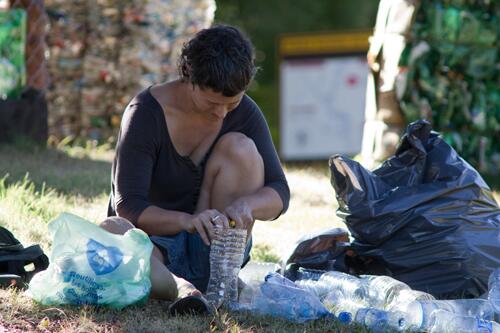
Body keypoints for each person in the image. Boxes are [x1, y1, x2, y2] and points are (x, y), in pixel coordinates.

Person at [101, 24, 290, 312]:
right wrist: (187, 221)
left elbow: (279, 192)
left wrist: (247, 205)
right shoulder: (145, 113)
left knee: (241, 147)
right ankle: (182, 290)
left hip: (215, 251)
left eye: (232, 103)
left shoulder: (245, 112)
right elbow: (128, 206)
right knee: (112, 230)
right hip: (153, 251)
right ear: (189, 73)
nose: (221, 113)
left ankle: (218, 281)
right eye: (213, 102)